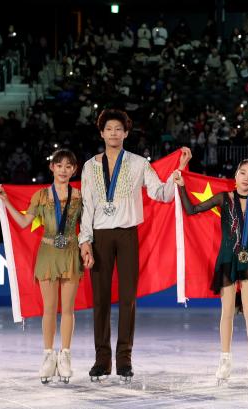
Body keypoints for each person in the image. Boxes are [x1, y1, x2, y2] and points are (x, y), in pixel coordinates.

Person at [79, 109, 191, 382]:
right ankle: (101, 360)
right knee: (101, 300)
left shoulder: (139, 163)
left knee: (128, 299)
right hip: (100, 235)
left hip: (128, 234)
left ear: (126, 133)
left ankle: (124, 359)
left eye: (119, 128)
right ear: (102, 133)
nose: (114, 133)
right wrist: (85, 241)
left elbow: (161, 194)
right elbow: (87, 206)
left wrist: (179, 171)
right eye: (109, 129)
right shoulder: (90, 166)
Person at [0, 149, 91, 384]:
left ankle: (65, 355)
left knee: (67, 309)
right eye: (60, 165)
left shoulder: (80, 196)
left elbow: (87, 228)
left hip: (70, 253)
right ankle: (48, 356)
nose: (64, 170)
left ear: (74, 170)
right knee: (49, 309)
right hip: (48, 253)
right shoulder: (40, 196)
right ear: (52, 168)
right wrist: (5, 200)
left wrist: (86, 249)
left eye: (69, 166)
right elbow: (24, 222)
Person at [173, 159, 248, 384]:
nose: (246, 178)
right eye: (242, 172)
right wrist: (182, 185)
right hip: (226, 259)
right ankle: (225, 360)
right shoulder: (224, 198)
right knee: (227, 312)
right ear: (235, 175)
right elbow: (192, 210)